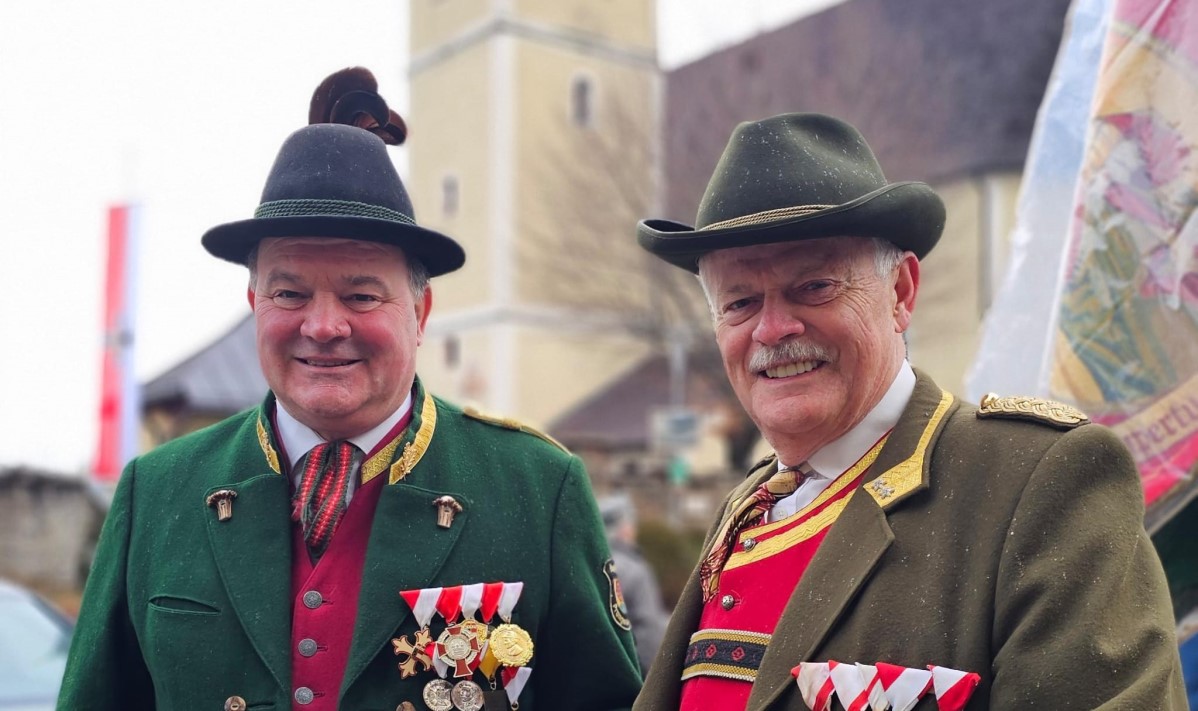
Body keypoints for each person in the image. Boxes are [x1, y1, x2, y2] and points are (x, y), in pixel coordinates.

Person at [57, 68, 641, 711]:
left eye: (362, 295)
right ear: (255, 303)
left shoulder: (537, 487)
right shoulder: (157, 490)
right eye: (290, 293)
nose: (324, 326)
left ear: (419, 314)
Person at [631, 113, 1186, 710]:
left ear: (901, 292)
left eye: (813, 287)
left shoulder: (1040, 482)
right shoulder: (743, 512)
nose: (773, 329)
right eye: (740, 302)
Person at [599, 493, 669, 676]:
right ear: (624, 528)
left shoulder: (589, 565)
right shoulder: (635, 570)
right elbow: (648, 629)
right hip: (633, 673)